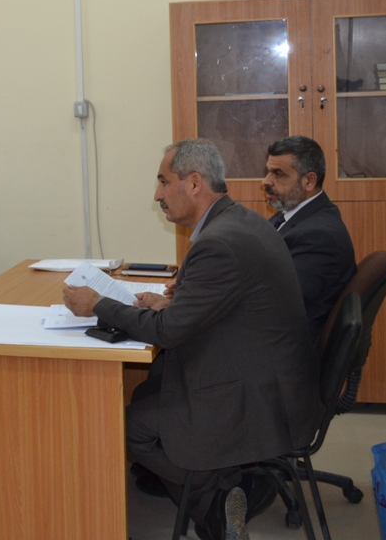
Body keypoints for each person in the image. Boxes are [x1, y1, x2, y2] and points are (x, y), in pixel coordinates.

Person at [64, 139, 320, 540]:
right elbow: (220, 305)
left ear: (195, 183)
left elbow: (167, 332)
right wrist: (174, 304)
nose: (157, 195)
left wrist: (97, 304)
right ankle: (225, 490)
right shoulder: (237, 221)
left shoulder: (218, 242)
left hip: (256, 399)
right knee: (149, 390)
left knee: (128, 427)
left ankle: (220, 501)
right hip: (268, 377)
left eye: (164, 182)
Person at [263, 135, 357, 342]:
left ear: (309, 181)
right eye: (268, 171)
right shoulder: (288, 215)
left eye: (278, 174)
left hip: (287, 348)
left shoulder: (319, 235)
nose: (266, 181)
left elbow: (281, 305)